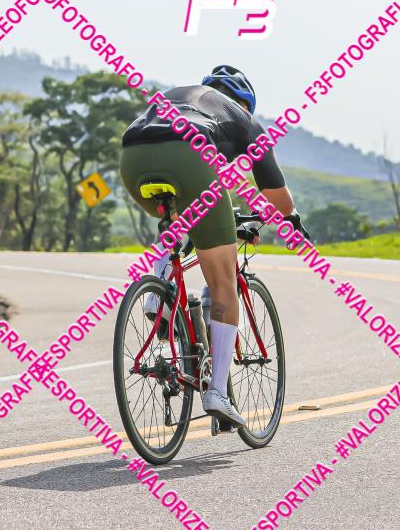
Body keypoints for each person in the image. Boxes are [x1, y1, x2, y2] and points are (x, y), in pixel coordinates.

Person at [120, 65, 308, 428]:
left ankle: (158, 293)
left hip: (133, 155)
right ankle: (217, 392)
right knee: (223, 282)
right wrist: (292, 219)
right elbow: (278, 198)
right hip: (187, 155)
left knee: (176, 219)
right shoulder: (244, 120)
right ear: (244, 103)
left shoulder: (183, 98)